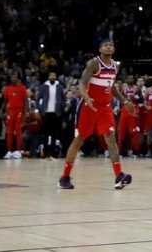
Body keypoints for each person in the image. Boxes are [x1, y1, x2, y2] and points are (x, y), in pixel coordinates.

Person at [57, 39, 137, 190]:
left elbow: (111, 87)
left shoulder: (115, 66)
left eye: (111, 45)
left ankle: (119, 176)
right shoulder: (93, 63)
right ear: (100, 49)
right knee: (79, 140)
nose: (109, 47)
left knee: (110, 138)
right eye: (106, 45)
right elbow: (81, 84)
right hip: (89, 107)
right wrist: (86, 97)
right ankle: (64, 177)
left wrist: (124, 101)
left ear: (113, 49)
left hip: (105, 108)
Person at [1, 73, 28, 159]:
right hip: (10, 111)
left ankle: (18, 151)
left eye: (15, 77)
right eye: (12, 77)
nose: (13, 79)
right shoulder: (7, 89)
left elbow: (26, 101)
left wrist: (25, 113)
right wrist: (1, 110)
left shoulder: (22, 88)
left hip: (19, 111)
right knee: (9, 132)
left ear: (17, 79)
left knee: (18, 131)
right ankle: (9, 151)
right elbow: (5, 101)